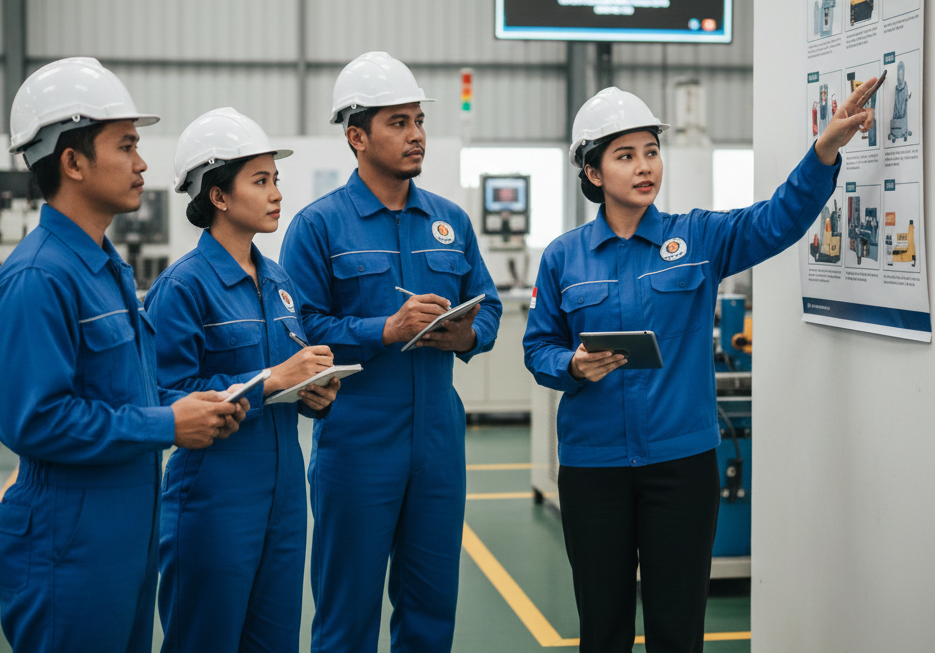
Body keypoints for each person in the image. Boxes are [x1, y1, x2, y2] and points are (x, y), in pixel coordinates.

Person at [522, 81, 877, 653]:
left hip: (681, 467)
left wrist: (824, 151)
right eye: (625, 155)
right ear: (592, 173)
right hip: (594, 469)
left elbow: (777, 220)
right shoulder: (563, 256)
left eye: (651, 152)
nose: (645, 167)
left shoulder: (699, 238)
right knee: (603, 628)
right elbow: (538, 349)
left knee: (678, 628)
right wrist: (572, 365)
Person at [0, 57, 248, 653]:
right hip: (68, 542)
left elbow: (125, 391)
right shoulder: (37, 278)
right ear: (72, 161)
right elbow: (36, 420)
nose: (142, 162)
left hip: (126, 533)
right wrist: (167, 424)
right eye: (126, 145)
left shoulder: (106, 269)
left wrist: (187, 405)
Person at [279, 51, 502, 653]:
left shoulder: (450, 221)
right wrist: (385, 330)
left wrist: (468, 335)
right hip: (356, 442)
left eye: (418, 121)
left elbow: (491, 307)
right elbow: (300, 329)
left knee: (431, 609)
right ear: (357, 136)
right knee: (347, 614)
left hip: (437, 442)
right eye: (398, 123)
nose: (416, 136)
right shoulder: (318, 226)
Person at [144, 108, 340, 652]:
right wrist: (272, 381)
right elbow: (164, 398)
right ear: (219, 196)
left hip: (282, 498)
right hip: (213, 500)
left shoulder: (279, 282)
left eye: (275, 179)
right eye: (261, 180)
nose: (277, 192)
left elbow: (287, 380)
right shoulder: (183, 287)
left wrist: (313, 394)